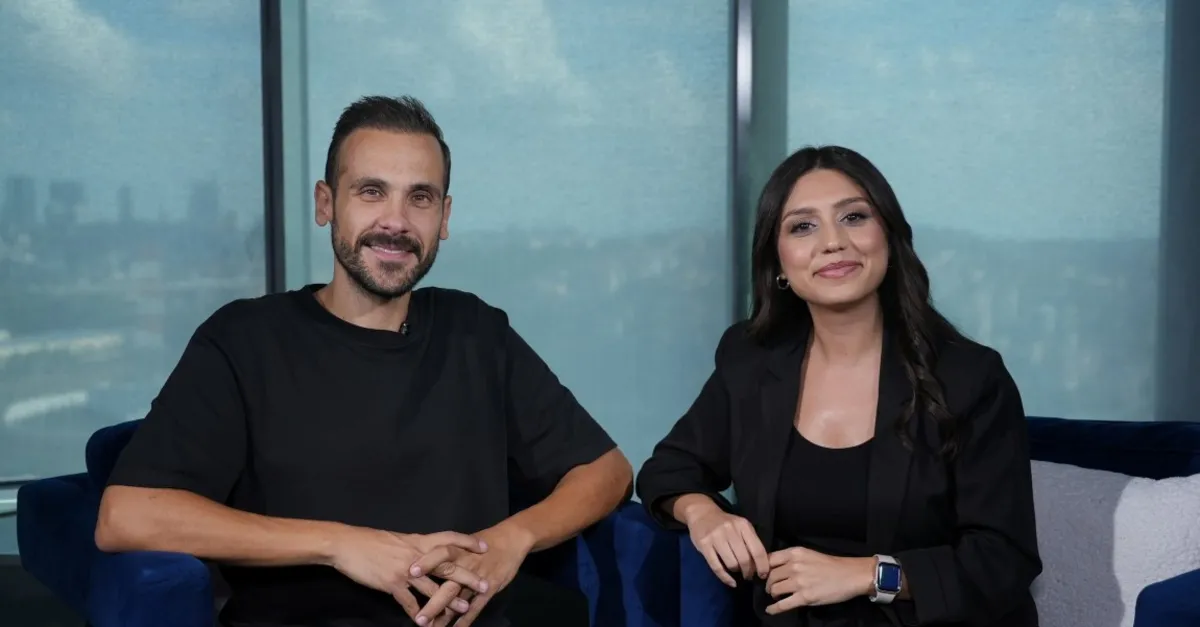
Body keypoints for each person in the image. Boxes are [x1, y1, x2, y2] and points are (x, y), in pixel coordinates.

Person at [96, 95, 633, 627]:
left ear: (444, 217)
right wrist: (340, 545)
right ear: (325, 203)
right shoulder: (243, 340)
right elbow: (126, 515)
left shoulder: (476, 331)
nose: (395, 221)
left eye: (420, 197)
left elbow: (607, 471)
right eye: (372, 191)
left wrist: (510, 540)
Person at [635, 146, 1041, 626]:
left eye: (853, 217)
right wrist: (703, 513)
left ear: (888, 236)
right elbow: (669, 469)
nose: (832, 242)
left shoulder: (970, 377)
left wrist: (867, 575)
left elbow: (1003, 559)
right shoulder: (751, 359)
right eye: (802, 226)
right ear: (778, 263)